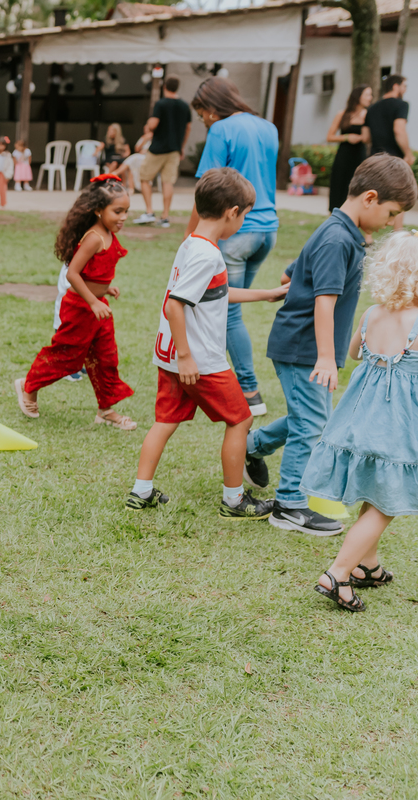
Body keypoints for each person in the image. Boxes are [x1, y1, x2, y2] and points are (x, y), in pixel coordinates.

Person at [245, 155, 417, 535]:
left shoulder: (342, 232)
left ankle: (253, 444)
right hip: (304, 349)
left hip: (310, 347)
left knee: (311, 418)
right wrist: (325, 357)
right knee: (311, 424)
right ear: (370, 198)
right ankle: (289, 505)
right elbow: (324, 300)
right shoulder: (338, 238)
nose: (390, 222)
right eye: (391, 213)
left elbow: (290, 274)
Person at [126, 169, 287, 516]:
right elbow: (175, 305)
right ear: (232, 212)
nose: (242, 222)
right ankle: (234, 500)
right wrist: (187, 357)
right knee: (241, 420)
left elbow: (215, 293)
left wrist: (266, 294)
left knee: (166, 420)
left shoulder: (192, 244)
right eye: (244, 216)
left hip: (171, 355)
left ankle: (141, 491)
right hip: (197, 360)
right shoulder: (207, 255)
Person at [304, 232, 418, 612]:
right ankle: (337, 574)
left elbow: (354, 352)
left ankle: (367, 565)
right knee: (387, 504)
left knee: (376, 488)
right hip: (397, 424)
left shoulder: (371, 314)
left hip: (360, 418)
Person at [188, 77, 280, 417]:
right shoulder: (268, 127)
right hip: (267, 230)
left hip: (237, 232)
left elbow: (206, 192)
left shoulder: (221, 129)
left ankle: (249, 392)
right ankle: (228, 382)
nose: (203, 120)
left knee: (226, 309)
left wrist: (191, 236)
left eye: (202, 114)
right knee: (228, 306)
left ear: (212, 108)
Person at [17, 175, 137, 430]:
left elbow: (94, 272)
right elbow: (72, 274)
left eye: (126, 211)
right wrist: (93, 301)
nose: (123, 217)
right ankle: (28, 387)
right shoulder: (94, 237)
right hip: (80, 308)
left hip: (98, 307)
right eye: (117, 211)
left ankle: (106, 410)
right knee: (67, 357)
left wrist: (105, 288)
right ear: (98, 210)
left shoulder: (108, 233)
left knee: (106, 358)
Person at [133, 75, 191, 228]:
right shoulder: (185, 106)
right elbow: (188, 127)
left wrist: (148, 124)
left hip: (157, 149)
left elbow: (153, 125)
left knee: (144, 178)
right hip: (174, 150)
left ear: (165, 86)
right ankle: (165, 216)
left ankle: (149, 212)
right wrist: (181, 146)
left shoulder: (161, 104)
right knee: (168, 182)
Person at [366, 75, 414, 231]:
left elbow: (367, 137)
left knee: (374, 196)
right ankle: (397, 234)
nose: (405, 89)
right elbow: (399, 130)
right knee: (400, 197)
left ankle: (367, 236)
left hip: (374, 158)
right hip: (394, 159)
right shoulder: (401, 105)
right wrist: (408, 153)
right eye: (404, 86)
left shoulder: (372, 108)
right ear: (395, 86)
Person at [326, 85, 371, 212]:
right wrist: (347, 137)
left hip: (359, 155)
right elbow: (329, 136)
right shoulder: (342, 114)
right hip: (343, 155)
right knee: (339, 184)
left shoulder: (368, 115)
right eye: (367, 94)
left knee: (356, 185)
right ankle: (334, 213)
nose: (370, 98)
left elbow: (367, 139)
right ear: (358, 96)